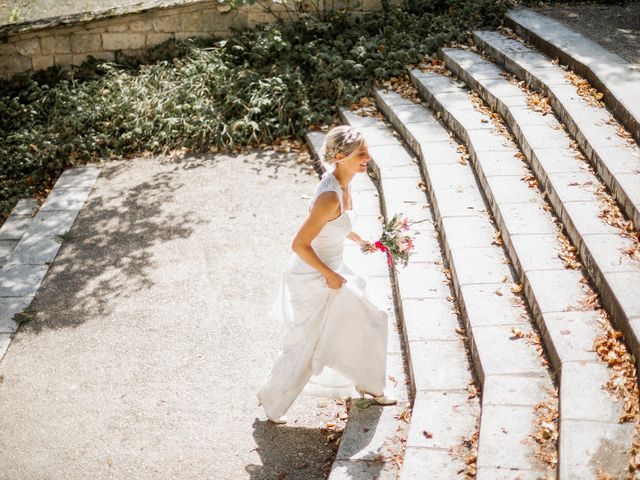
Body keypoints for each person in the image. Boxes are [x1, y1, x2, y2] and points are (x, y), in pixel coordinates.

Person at [256, 125, 396, 425]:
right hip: (314, 276)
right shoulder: (329, 196)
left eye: (366, 151)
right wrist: (329, 275)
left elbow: (337, 225)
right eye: (361, 153)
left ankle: (370, 383)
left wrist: (360, 240)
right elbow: (299, 244)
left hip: (333, 271)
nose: (367, 157)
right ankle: (272, 398)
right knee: (306, 343)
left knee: (372, 318)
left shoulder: (344, 183)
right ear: (343, 156)